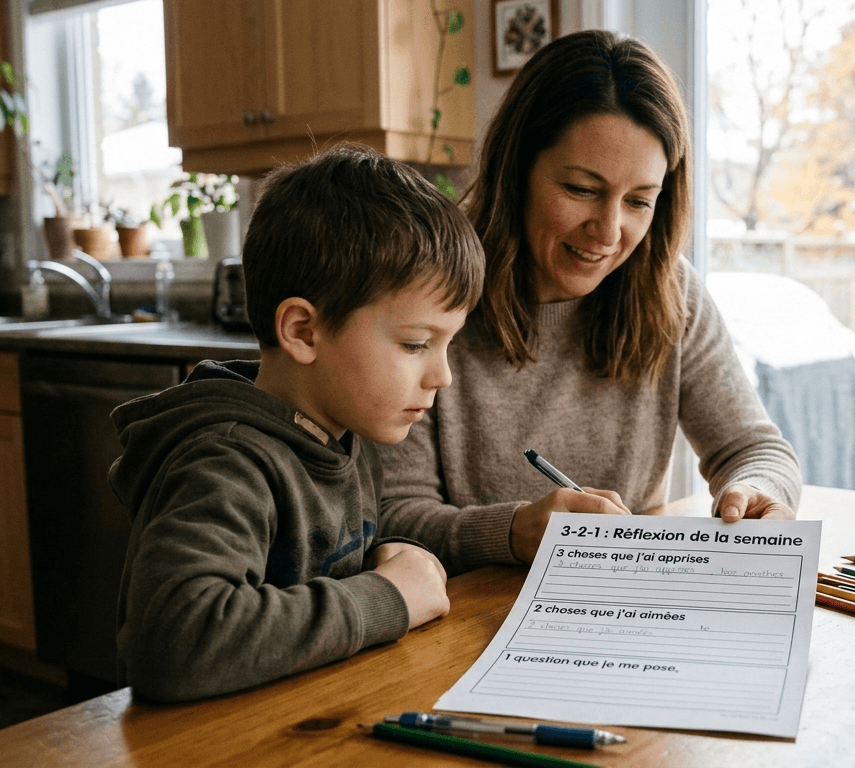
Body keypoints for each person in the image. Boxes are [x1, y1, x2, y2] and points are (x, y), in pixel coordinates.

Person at [379, 30, 802, 573]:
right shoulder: (430, 291)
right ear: (519, 169)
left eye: (639, 201)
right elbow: (392, 514)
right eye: (581, 189)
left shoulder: (672, 293)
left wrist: (754, 490)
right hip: (464, 617)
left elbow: (756, 449)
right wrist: (512, 532)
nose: (608, 231)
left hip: (619, 609)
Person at [109, 145, 484, 702]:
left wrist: (390, 553)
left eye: (447, 345)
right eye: (416, 344)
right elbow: (172, 640)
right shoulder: (228, 463)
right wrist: (385, 597)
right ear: (304, 332)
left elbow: (327, 567)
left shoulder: (342, 435)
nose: (442, 376)